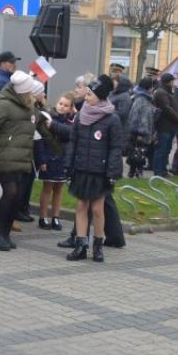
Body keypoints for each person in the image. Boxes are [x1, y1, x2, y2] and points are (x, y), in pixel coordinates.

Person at [0, 72, 55, 251]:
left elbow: (41, 125)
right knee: (10, 193)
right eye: (28, 92)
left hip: (22, 158)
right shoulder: (4, 105)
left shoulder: (30, 106)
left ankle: (4, 232)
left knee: (17, 197)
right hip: (3, 156)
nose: (31, 95)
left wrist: (56, 145)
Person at [65, 75, 122, 263]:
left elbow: (115, 148)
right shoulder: (81, 115)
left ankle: (98, 245)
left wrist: (113, 171)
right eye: (87, 94)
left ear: (100, 96)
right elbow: (73, 141)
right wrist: (69, 164)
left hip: (100, 171)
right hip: (81, 168)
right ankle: (81, 245)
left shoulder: (112, 119)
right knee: (81, 206)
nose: (87, 97)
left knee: (97, 209)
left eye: (90, 94)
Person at [35, 92, 76, 231]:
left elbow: (71, 134)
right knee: (47, 188)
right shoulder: (47, 118)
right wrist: (42, 159)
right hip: (49, 157)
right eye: (60, 104)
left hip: (63, 159)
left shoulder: (72, 121)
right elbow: (41, 140)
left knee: (59, 189)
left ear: (71, 108)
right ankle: (43, 216)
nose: (62, 107)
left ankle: (56, 217)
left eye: (66, 105)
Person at [153, 73, 178, 177]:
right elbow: (166, 108)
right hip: (164, 126)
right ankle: (158, 171)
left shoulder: (167, 91)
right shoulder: (162, 92)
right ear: (168, 81)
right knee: (162, 149)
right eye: (172, 81)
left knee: (166, 149)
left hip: (170, 126)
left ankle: (163, 170)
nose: (173, 83)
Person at [127, 77, 156, 178]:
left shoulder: (146, 98)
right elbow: (136, 116)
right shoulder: (141, 99)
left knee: (140, 152)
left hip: (144, 131)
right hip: (140, 132)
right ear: (149, 88)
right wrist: (140, 132)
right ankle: (134, 172)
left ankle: (137, 172)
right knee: (137, 153)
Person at [109, 76, 133, 155]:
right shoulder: (113, 93)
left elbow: (123, 113)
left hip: (121, 127)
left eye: (116, 81)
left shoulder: (124, 96)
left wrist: (109, 110)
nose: (114, 83)